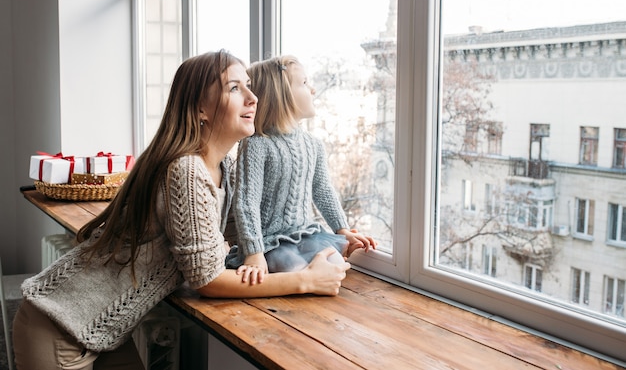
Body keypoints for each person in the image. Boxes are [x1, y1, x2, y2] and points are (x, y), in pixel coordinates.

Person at [12, 50, 351, 370]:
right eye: (235, 88)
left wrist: (328, 241)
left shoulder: (224, 172)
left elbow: (251, 235)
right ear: (201, 109)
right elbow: (207, 279)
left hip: (103, 329)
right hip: (60, 326)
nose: (253, 97)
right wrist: (305, 280)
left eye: (249, 86)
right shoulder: (187, 171)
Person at [226, 55, 377, 284]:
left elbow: (323, 190)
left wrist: (342, 228)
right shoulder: (256, 144)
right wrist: (254, 252)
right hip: (269, 242)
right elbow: (247, 203)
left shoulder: (313, 145)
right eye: (305, 83)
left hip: (304, 234)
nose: (313, 90)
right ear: (282, 95)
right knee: (293, 268)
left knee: (336, 264)